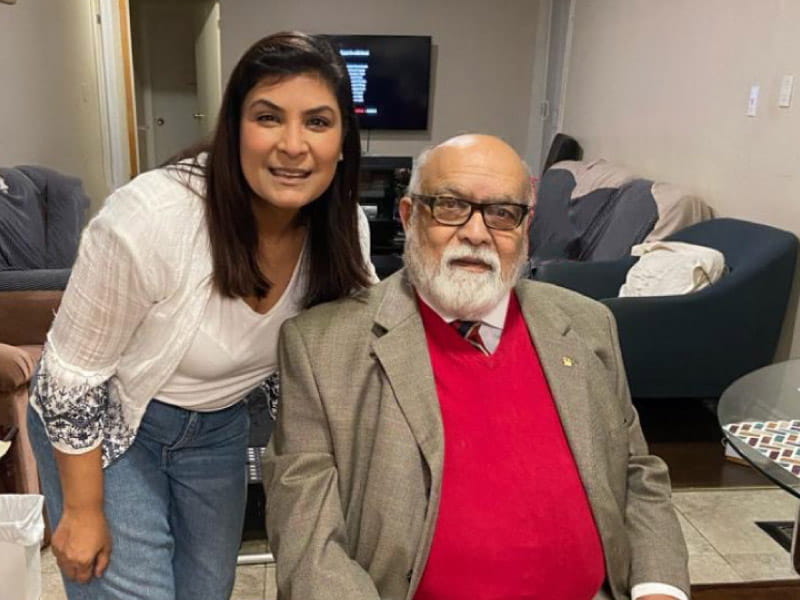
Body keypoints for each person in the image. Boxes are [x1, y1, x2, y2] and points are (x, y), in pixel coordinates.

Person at [27, 31, 377, 600]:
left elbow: (359, 351)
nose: (293, 145)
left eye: (317, 122)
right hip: (107, 420)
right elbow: (71, 379)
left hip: (216, 424)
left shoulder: (344, 235)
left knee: (206, 589)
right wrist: (83, 510)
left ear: (343, 142)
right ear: (234, 129)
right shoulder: (152, 218)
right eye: (268, 118)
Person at [264, 134, 690, 600]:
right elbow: (309, 543)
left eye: (502, 213)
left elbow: (637, 473)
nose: (475, 232)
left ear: (525, 229)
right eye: (450, 206)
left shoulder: (588, 326)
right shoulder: (321, 347)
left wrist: (660, 589)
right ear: (409, 217)